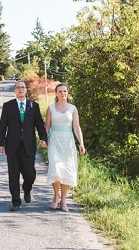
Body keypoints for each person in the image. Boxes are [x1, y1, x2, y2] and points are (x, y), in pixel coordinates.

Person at [0, 81, 48, 212]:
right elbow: (3, 126)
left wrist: (43, 138)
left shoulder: (33, 106)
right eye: (18, 87)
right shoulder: (8, 106)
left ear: (26, 90)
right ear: (14, 90)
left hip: (28, 145)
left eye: (23, 87)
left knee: (30, 173)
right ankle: (16, 201)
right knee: (13, 175)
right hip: (12, 145)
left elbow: (39, 125)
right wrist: (0, 143)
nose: (20, 89)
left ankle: (27, 189)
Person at [46, 83, 86, 212]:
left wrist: (81, 143)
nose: (63, 93)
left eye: (65, 91)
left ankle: (63, 200)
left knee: (66, 171)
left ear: (67, 93)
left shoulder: (73, 108)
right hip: (54, 141)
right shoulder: (50, 108)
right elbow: (47, 126)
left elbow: (76, 126)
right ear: (56, 93)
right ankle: (56, 195)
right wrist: (43, 140)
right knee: (56, 169)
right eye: (60, 91)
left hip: (68, 142)